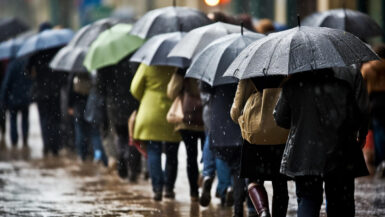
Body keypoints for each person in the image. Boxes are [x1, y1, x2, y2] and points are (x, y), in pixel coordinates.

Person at [274, 68, 369, 217]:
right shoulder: (342, 87)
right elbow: (355, 119)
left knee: (308, 199)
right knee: (339, 200)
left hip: (305, 154)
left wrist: (299, 122)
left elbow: (280, 118)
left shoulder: (292, 86)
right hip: (338, 153)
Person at [231, 77, 289, 217]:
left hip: (255, 135)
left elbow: (236, 111)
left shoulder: (249, 74)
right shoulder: (287, 69)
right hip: (281, 132)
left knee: (253, 180)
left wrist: (241, 119)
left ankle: (263, 212)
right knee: (280, 182)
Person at [130, 63, 182, 201]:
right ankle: (169, 189)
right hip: (172, 113)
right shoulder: (177, 64)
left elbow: (134, 88)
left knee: (153, 151)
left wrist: (148, 94)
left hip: (150, 111)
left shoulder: (147, 64)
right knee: (172, 152)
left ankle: (157, 189)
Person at [96, 56, 141, 180]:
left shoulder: (106, 62)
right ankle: (132, 168)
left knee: (120, 134)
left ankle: (122, 157)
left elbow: (100, 88)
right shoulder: (134, 59)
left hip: (114, 105)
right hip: (132, 103)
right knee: (132, 135)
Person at [167, 69, 205, 201]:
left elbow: (171, 93)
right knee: (208, 155)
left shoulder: (183, 68)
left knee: (191, 157)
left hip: (187, 121)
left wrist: (180, 76)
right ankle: (207, 178)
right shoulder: (210, 63)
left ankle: (194, 193)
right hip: (206, 118)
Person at [67, 73, 108, 166]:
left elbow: (71, 89)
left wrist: (70, 105)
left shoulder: (77, 70)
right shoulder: (96, 71)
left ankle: (82, 155)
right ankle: (98, 156)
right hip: (93, 105)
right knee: (95, 132)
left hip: (79, 105)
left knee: (80, 130)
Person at [361, 44, 385, 177]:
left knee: (378, 132)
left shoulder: (368, 67)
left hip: (374, 101)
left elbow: (360, 86)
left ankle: (380, 161)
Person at [0, 57, 32, 147]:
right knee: (25, 119)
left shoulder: (12, 66)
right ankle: (25, 139)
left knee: (13, 120)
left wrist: (3, 98)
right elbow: (30, 80)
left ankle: (14, 141)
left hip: (13, 99)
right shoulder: (26, 64)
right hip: (25, 98)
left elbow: (7, 82)